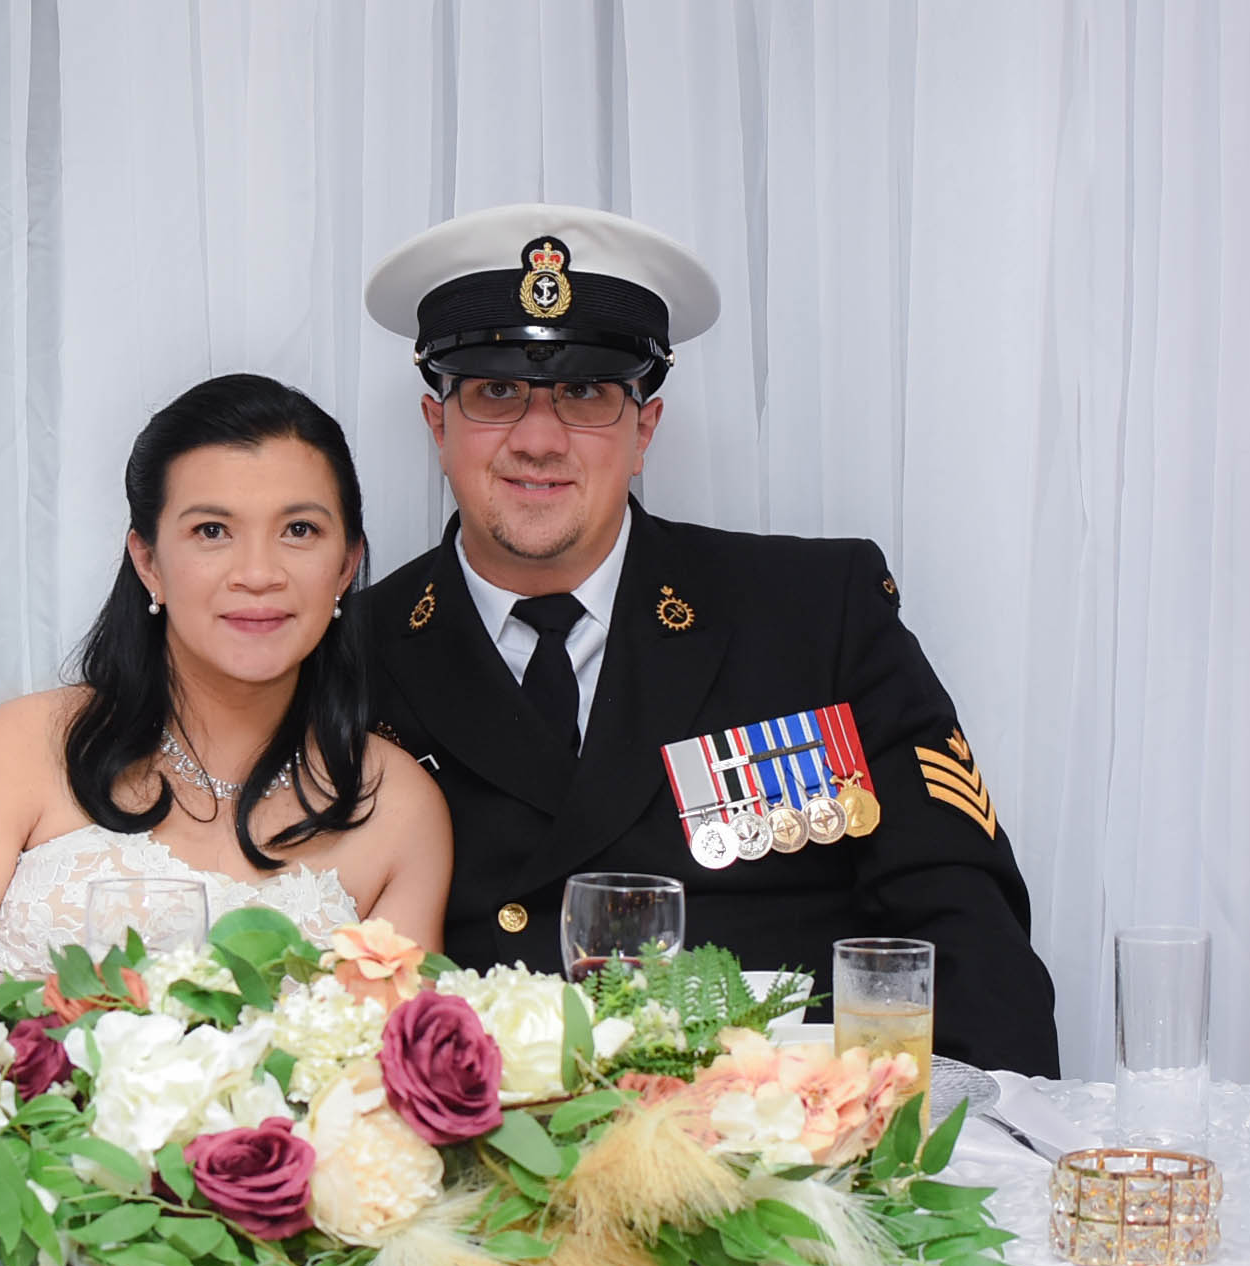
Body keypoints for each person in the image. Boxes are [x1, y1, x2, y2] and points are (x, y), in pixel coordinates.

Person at [358, 205, 1058, 1076]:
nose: (537, 440)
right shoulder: (355, 652)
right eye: (494, 393)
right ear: (437, 426)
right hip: (487, 1135)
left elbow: (962, 929)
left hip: (779, 1134)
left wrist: (965, 1145)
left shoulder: (811, 614)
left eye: (586, 393)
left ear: (644, 430)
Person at [0, 373, 451, 1003]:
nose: (258, 574)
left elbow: (402, 1060)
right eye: (212, 530)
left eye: (299, 530)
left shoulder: (397, 807)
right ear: (148, 561)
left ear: (346, 565)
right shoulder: (18, 748)